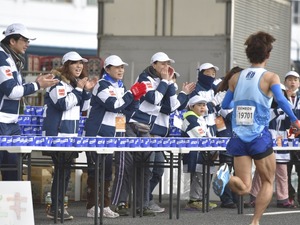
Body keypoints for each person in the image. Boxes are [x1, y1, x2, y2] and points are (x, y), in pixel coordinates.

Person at [213, 31, 300, 225]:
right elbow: (282, 101)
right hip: (259, 136)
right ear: (267, 55)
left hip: (238, 137)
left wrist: (244, 105)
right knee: (268, 181)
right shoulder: (270, 77)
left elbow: (225, 105)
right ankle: (255, 222)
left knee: (244, 187)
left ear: (249, 54)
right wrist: (295, 120)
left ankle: (227, 178)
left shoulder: (235, 77)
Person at [84, 55, 146, 218]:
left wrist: (135, 99)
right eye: (116, 67)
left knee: (106, 171)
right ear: (107, 69)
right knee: (94, 170)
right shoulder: (101, 85)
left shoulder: (120, 86)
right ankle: (92, 206)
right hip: (96, 133)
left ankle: (104, 205)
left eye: (122, 67)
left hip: (111, 133)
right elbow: (114, 105)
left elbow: (125, 112)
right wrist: (131, 94)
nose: (120, 70)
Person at [0, 23, 58, 181]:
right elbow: (11, 91)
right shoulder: (2, 57)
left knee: (14, 171)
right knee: (11, 169)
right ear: (12, 41)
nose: (27, 44)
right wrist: (38, 85)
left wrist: (36, 85)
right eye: (24, 40)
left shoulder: (11, 58)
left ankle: (11, 206)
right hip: (2, 123)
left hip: (11, 122)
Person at [42, 51, 96, 220]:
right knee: (61, 172)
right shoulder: (56, 83)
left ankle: (58, 207)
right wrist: (80, 89)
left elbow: (84, 107)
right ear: (66, 66)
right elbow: (63, 104)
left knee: (64, 172)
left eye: (81, 63)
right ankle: (56, 208)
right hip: (57, 135)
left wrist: (86, 91)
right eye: (74, 63)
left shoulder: (74, 85)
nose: (79, 66)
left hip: (70, 136)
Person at [124, 52, 175, 216]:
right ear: (153, 64)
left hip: (148, 128)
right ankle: (126, 202)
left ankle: (144, 202)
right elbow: (153, 98)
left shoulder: (161, 81)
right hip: (133, 125)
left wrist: (172, 86)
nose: (165, 67)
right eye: (162, 64)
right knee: (132, 167)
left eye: (167, 64)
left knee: (153, 167)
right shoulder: (144, 78)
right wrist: (166, 82)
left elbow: (170, 107)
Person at [148, 71, 195, 213]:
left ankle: (146, 199)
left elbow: (178, 106)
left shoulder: (169, 95)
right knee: (150, 169)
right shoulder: (158, 93)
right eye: (170, 79)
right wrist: (181, 94)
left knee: (158, 170)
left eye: (174, 79)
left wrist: (184, 94)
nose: (172, 83)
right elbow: (169, 107)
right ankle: (144, 200)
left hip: (162, 136)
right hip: (152, 134)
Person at [187, 62, 221, 210]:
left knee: (210, 166)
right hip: (198, 131)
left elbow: (219, 109)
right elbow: (194, 108)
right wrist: (212, 104)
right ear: (200, 74)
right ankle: (195, 199)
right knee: (199, 166)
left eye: (213, 74)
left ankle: (203, 197)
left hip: (212, 130)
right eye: (208, 73)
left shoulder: (215, 89)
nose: (211, 76)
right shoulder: (195, 90)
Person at [212, 66, 243, 208]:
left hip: (242, 137)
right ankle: (226, 199)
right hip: (226, 135)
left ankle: (238, 197)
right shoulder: (222, 94)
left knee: (240, 169)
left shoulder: (246, 95)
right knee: (226, 167)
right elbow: (228, 115)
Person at [181, 95, 214, 210]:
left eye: (204, 105)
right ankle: (194, 200)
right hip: (194, 153)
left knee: (204, 175)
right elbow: (200, 135)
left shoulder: (200, 118)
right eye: (199, 105)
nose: (202, 107)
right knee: (199, 176)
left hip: (201, 152)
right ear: (191, 106)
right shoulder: (190, 117)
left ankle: (200, 199)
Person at [284, 70, 300, 206]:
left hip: (299, 138)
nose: (292, 82)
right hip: (285, 139)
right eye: (289, 79)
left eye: (295, 80)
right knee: (286, 170)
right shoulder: (280, 98)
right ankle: (289, 195)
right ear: (285, 82)